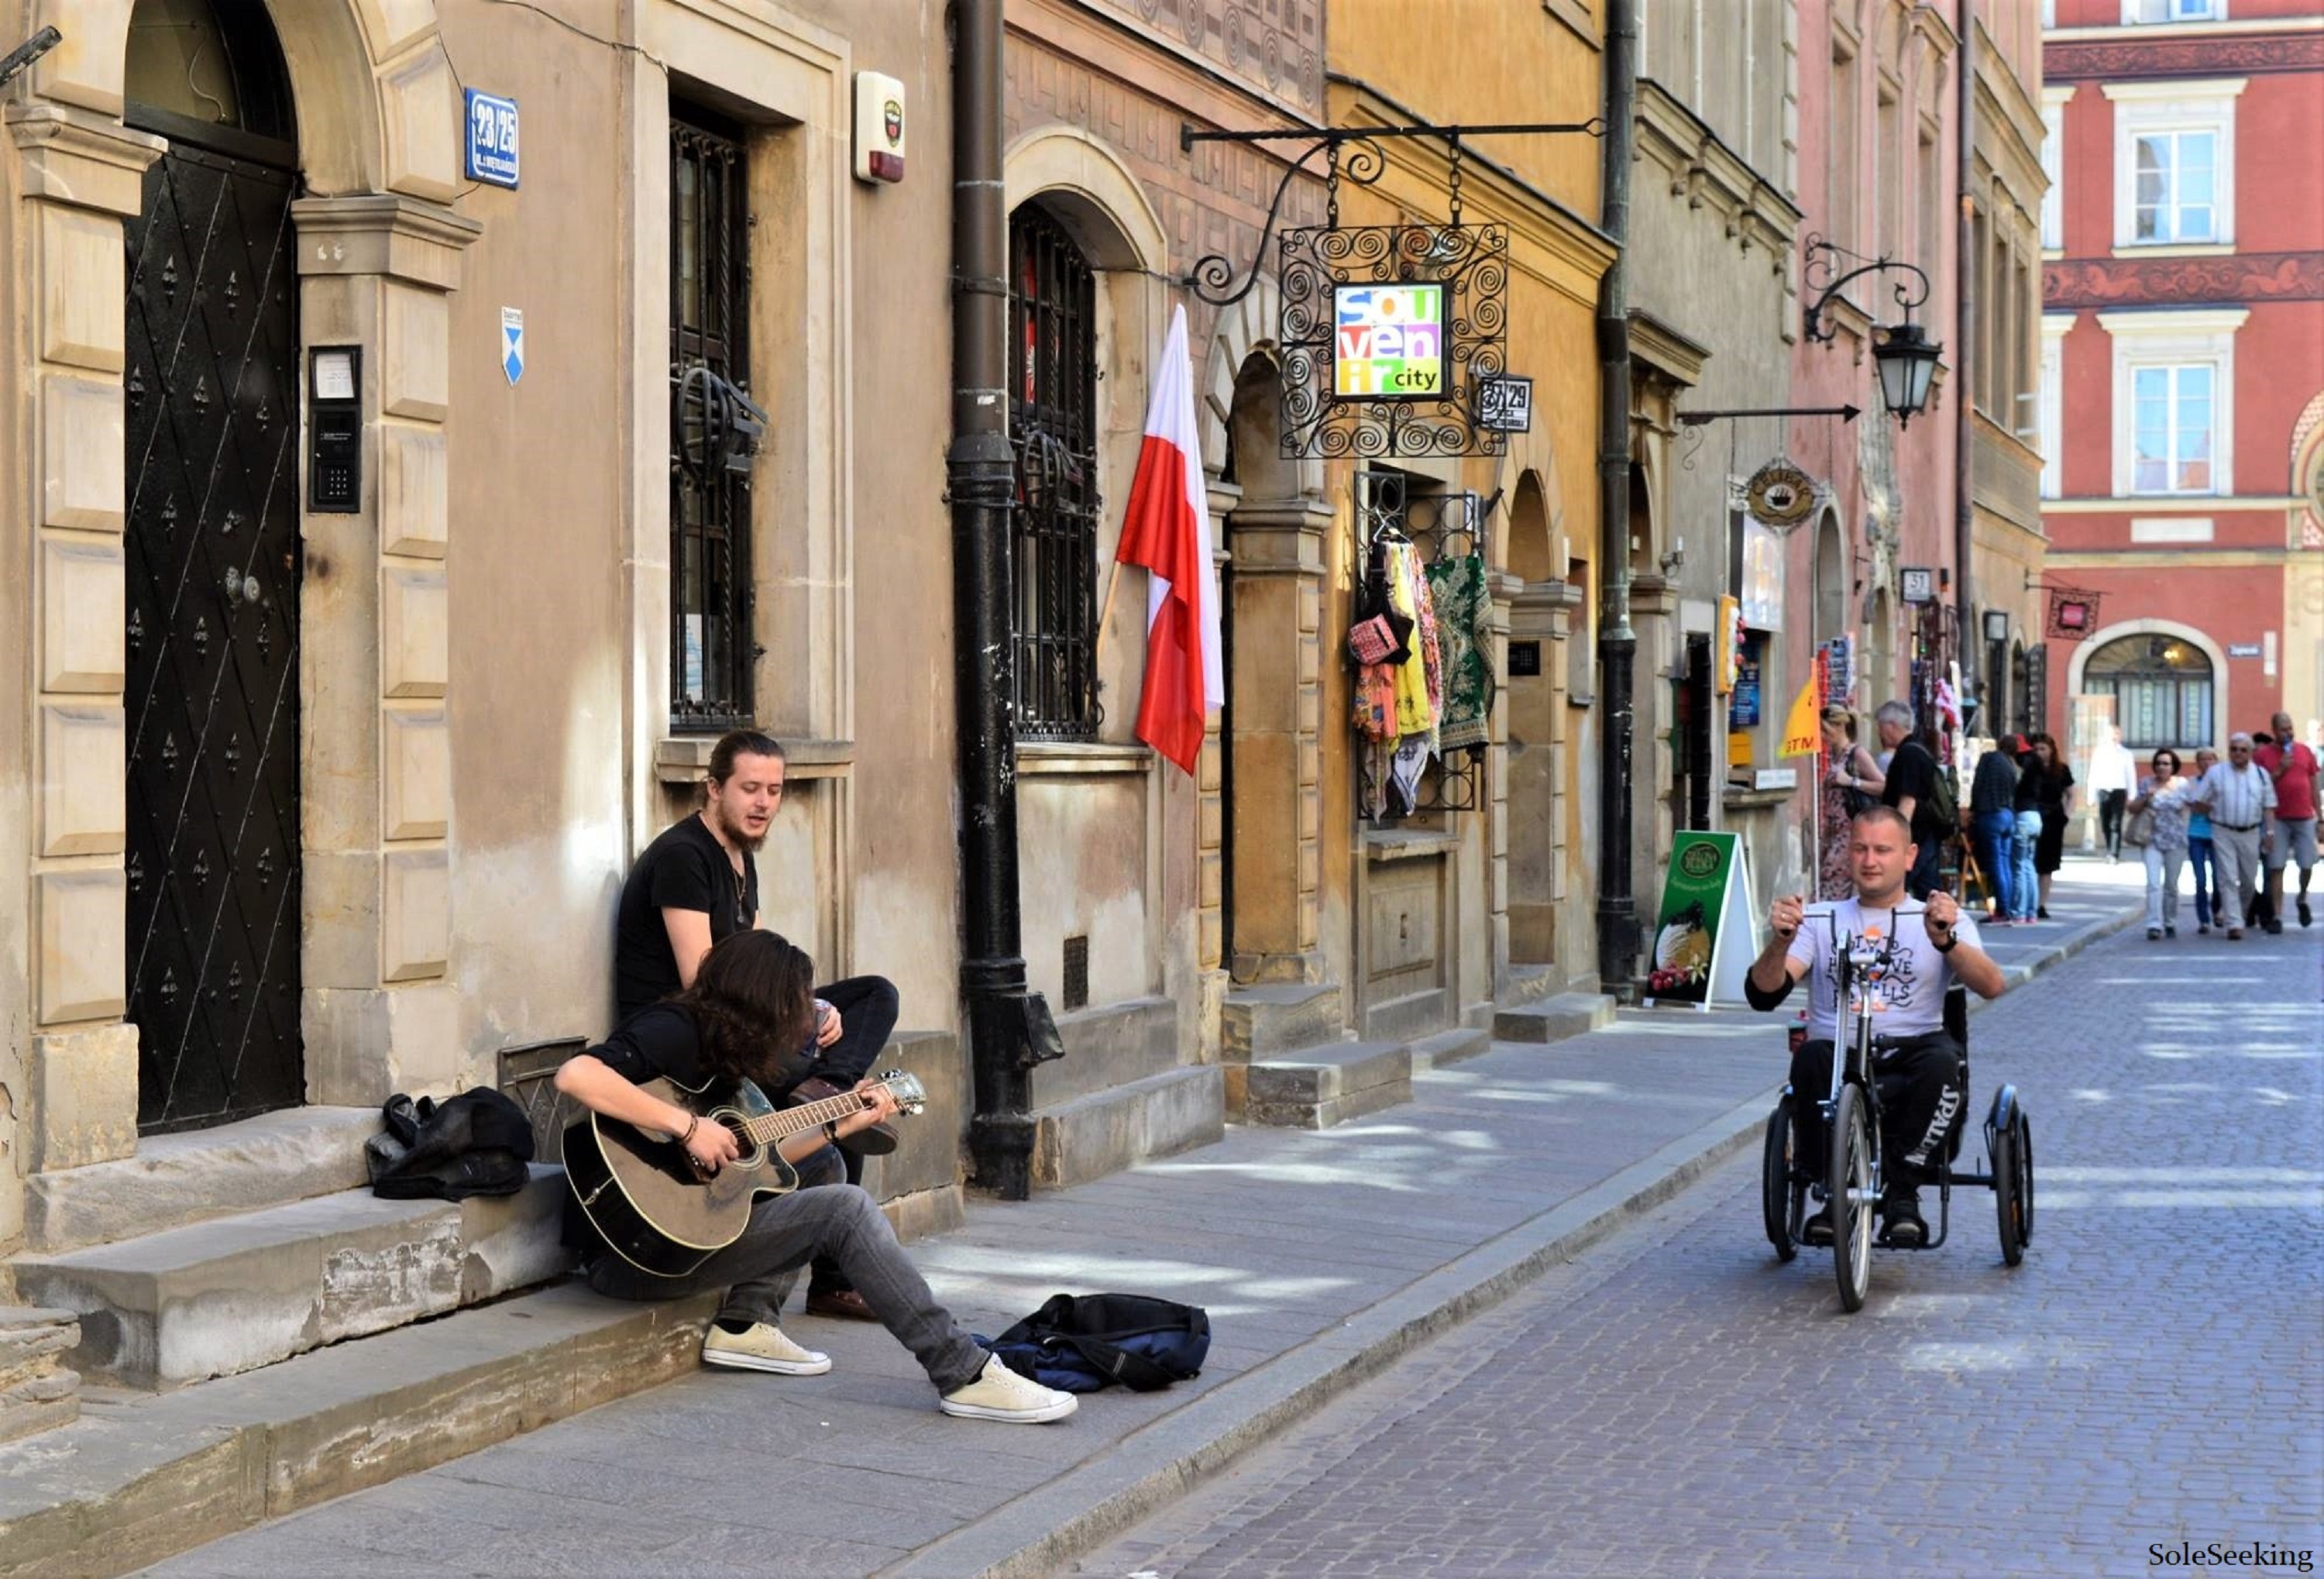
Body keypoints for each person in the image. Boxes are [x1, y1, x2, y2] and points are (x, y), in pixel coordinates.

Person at [556, 930, 1076, 1423]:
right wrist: (687, 1127)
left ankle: (746, 1322)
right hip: (636, 1255)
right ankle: (963, 1372)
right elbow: (576, 1074)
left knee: (825, 1164)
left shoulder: (731, 1057)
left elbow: (761, 1159)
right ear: (762, 1002)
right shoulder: (674, 1028)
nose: (806, 1018)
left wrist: (841, 1124)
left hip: (680, 1234)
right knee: (845, 1210)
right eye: (798, 1003)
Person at [614, 728, 902, 1321]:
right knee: (837, 1109)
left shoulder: (740, 855)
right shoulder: (684, 857)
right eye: (750, 789)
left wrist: (809, 1005)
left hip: (742, 1019)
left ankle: (823, 1086)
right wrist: (796, 1018)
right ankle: (831, 1276)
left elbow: (760, 957)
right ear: (713, 788)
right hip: (697, 1039)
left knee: (874, 997)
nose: (764, 802)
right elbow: (703, 980)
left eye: (774, 790)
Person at [1745, 807, 2008, 1247]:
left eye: (1883, 850)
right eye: (1860, 849)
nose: (1870, 861)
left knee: (1944, 1064)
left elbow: (1992, 985)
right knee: (1810, 1058)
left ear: (1909, 856)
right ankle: (1833, 1190)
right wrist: (1780, 942)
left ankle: (1904, 1193)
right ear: (1848, 854)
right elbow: (1764, 994)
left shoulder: (1938, 917)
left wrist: (1946, 941)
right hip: (1838, 1051)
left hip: (1913, 1049)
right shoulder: (1820, 919)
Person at [2187, 732, 2278, 940]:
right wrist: (2211, 807)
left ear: (2251, 753)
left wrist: (2270, 832)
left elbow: (2269, 806)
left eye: (2243, 750)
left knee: (2249, 881)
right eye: (2234, 749)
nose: (2238, 753)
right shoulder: (2216, 773)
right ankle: (2234, 923)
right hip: (2223, 831)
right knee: (2227, 878)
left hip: (2251, 832)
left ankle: (2237, 914)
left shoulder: (2261, 774)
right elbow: (2197, 802)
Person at [1873, 700, 1947, 900]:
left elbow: (1908, 801)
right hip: (1926, 834)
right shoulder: (1920, 749)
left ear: (1891, 726)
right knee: (1929, 892)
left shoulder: (1908, 754)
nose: (1879, 733)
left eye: (1880, 727)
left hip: (1915, 835)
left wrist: (1896, 837)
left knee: (1893, 889)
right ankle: (1942, 918)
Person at [2254, 711, 2318, 931]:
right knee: (2276, 867)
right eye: (2283, 729)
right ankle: (2278, 916)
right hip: (2277, 818)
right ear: (2274, 731)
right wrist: (2279, 769)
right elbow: (2259, 787)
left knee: (2307, 864)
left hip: (2304, 816)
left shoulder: (2305, 751)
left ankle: (2302, 898)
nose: (2288, 733)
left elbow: (2313, 784)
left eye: (2290, 728)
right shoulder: (2263, 755)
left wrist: (2320, 819)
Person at [1818, 706, 1886, 901]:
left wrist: (1851, 781)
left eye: (1826, 730)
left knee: (1833, 881)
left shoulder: (1856, 753)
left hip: (1850, 830)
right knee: (1828, 879)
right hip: (1833, 830)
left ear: (1840, 727)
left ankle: (1830, 917)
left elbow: (1883, 786)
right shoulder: (1834, 756)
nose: (1823, 736)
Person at [2128, 749, 2192, 941]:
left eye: (2166, 763)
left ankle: (2170, 921)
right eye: (2158, 763)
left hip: (2176, 840)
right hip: (2151, 839)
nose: (2161, 767)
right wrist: (2146, 797)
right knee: (2153, 884)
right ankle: (2154, 924)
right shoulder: (2146, 783)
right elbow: (2132, 808)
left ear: (2173, 767)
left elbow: (2194, 805)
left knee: (2171, 885)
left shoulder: (2183, 785)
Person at [1967, 736, 2020, 924]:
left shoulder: (1988, 759)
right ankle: (2008, 907)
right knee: (2005, 863)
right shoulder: (2011, 766)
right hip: (2007, 815)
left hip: (1991, 814)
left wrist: (1973, 810)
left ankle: (2002, 910)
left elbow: (1978, 785)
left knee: (1995, 864)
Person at [2023, 731, 2075, 919]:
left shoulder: (2061, 769)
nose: (2039, 752)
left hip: (2053, 819)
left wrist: (2066, 815)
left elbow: (2071, 794)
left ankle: (2041, 905)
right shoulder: (2028, 769)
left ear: (2052, 750)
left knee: (2047, 865)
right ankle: (2027, 903)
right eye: (2036, 749)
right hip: (2032, 817)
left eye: (2043, 749)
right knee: (2029, 862)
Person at [2088, 724, 2140, 862]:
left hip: (2119, 791)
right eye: (2111, 734)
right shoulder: (2099, 752)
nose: (2114, 737)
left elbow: (2131, 775)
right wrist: (2091, 796)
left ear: (2120, 736)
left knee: (2116, 823)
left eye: (2116, 734)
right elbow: (2093, 774)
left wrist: (2132, 795)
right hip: (2103, 790)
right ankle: (2109, 849)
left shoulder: (2126, 754)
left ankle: (2114, 853)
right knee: (2105, 823)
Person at [2009, 734, 2044, 924]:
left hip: (2022, 817)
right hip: (2035, 817)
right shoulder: (2038, 768)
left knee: (2019, 867)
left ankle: (2019, 912)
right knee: (2029, 866)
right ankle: (2032, 912)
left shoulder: (2022, 769)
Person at [2185, 746, 2219, 934]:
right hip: (2195, 834)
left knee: (2218, 877)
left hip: (2217, 835)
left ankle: (2217, 909)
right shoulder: (2191, 783)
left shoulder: (2221, 782)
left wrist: (2202, 805)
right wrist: (2208, 806)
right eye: (2203, 759)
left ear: (2216, 762)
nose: (2207, 763)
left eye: (2210, 759)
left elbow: (2205, 806)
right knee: (2200, 879)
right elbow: (2193, 806)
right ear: (2197, 763)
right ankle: (2203, 919)